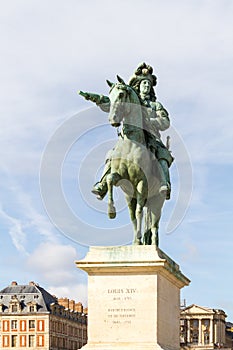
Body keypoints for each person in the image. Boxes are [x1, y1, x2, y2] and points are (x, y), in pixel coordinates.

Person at [79, 62, 173, 200]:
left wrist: (151, 122)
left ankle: (165, 184)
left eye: (148, 84)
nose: (146, 86)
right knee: (112, 154)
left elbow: (165, 122)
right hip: (128, 135)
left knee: (162, 156)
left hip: (151, 137)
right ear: (139, 85)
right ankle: (103, 184)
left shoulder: (156, 105)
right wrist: (95, 98)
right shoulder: (132, 99)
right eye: (144, 84)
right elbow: (114, 103)